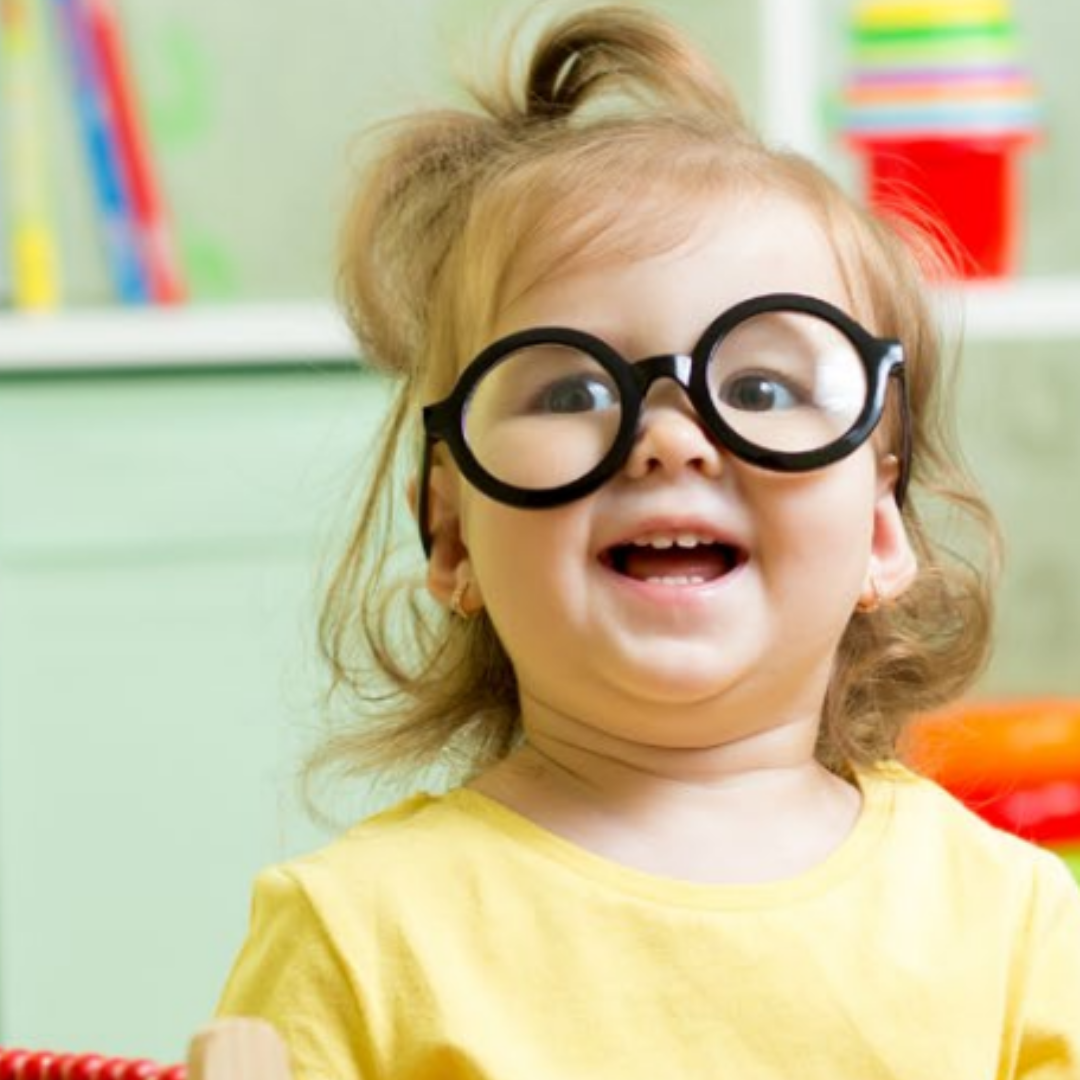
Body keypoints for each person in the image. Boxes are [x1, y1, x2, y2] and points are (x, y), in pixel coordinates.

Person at [215, 5, 1080, 1077]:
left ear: (878, 524)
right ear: (451, 530)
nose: (671, 437)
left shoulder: (1013, 926)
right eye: (573, 387)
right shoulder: (354, 939)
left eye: (761, 385)